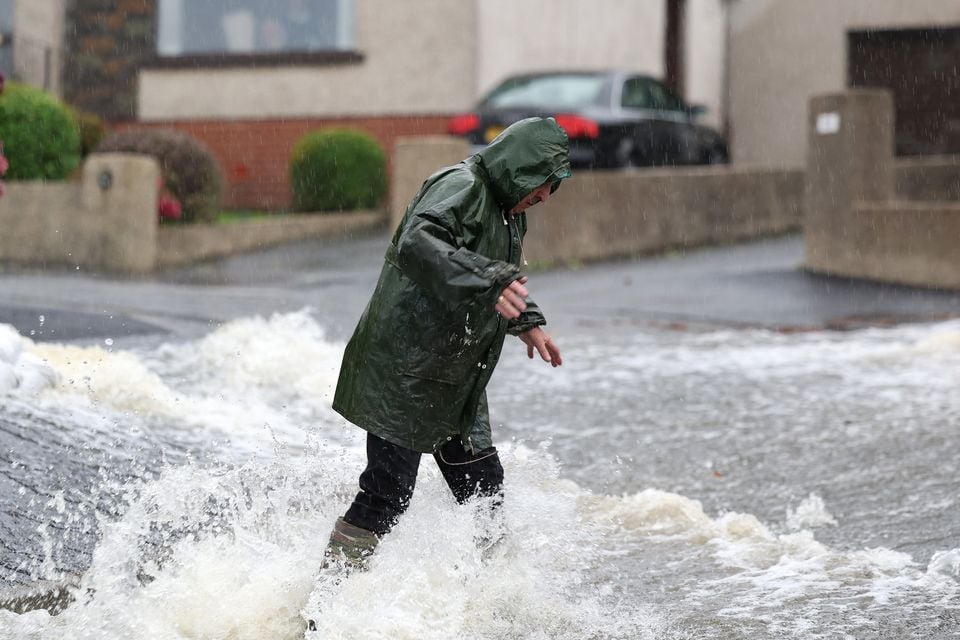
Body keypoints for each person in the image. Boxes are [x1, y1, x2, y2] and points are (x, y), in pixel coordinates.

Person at [325, 117, 572, 568]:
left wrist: (528, 321)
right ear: (519, 168)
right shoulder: (461, 185)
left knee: (484, 494)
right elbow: (419, 243)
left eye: (548, 191)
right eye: (538, 187)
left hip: (455, 377)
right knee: (388, 495)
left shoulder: (507, 211)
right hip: (403, 372)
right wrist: (491, 281)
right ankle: (327, 606)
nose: (541, 198)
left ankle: (489, 606)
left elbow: (500, 274)